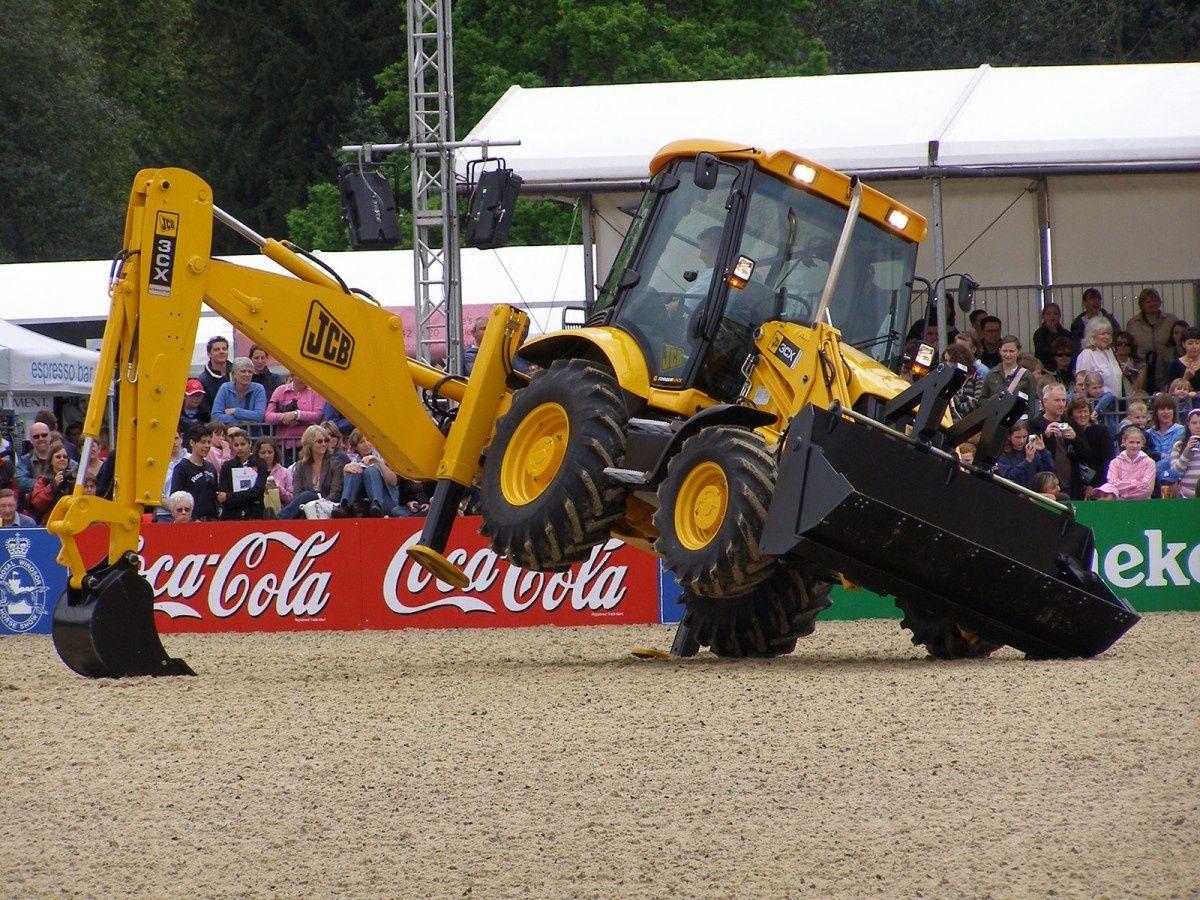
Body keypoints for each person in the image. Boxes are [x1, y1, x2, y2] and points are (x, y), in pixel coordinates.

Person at [1028, 382, 1084, 499]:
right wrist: (1046, 435)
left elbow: (1086, 454)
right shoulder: (1034, 424)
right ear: (1045, 402)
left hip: (1072, 484)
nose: (1061, 404)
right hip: (1046, 487)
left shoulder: (1071, 423)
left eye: (1063, 400)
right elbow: (1031, 454)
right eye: (1057, 400)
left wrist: (1075, 439)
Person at [277, 425, 344, 519]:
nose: (324, 444)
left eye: (326, 441)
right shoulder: (301, 466)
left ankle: (278, 519)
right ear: (309, 444)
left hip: (327, 505)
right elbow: (297, 493)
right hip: (306, 507)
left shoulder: (335, 464)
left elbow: (335, 493)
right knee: (305, 496)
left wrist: (318, 503)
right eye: (319, 441)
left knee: (307, 495)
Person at [332, 430, 399, 518]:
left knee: (370, 471)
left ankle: (376, 505)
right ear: (355, 447)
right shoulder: (355, 461)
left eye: (369, 440)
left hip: (387, 500)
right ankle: (345, 506)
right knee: (354, 471)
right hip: (363, 503)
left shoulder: (384, 457)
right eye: (361, 442)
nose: (366, 444)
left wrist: (379, 463)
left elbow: (393, 482)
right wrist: (345, 471)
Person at [1124, 287, 1178, 394]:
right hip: (1141, 371)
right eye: (1148, 301)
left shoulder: (1171, 320)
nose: (1153, 304)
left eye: (1155, 300)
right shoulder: (1133, 323)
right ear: (1142, 304)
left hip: (1165, 370)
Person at [265, 373, 326, 462]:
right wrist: (284, 417)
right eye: (299, 375)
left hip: (307, 446)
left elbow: (318, 415)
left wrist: (297, 415)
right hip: (283, 445)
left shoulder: (316, 392)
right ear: (292, 376)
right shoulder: (280, 390)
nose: (302, 379)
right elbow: (268, 416)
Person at [1065, 395, 1115, 496]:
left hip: (1099, 482)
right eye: (1079, 412)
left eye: (1085, 411)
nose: (1083, 415)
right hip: (1074, 483)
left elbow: (1108, 460)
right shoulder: (1067, 433)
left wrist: (1093, 485)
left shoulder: (1101, 431)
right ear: (1072, 414)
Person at [979, 335, 1039, 417]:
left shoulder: (1027, 375)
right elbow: (982, 400)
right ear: (1000, 351)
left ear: (1018, 351)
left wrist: (1029, 425)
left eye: (1011, 351)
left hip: (1020, 422)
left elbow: (1033, 404)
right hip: (995, 420)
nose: (1008, 354)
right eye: (1005, 351)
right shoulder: (991, 374)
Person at [170, 424, 220, 521]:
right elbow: (175, 499)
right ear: (192, 443)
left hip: (212, 521)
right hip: (192, 523)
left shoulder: (211, 467)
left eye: (209, 442)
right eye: (203, 442)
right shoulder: (182, 468)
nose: (207, 446)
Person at [217, 428, 268, 521]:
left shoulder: (260, 464)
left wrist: (229, 497)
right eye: (236, 445)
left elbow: (257, 492)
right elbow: (222, 495)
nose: (239, 448)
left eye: (243, 444)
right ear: (232, 446)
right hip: (232, 515)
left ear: (250, 444)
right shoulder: (227, 466)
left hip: (255, 514)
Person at [1092, 426, 1154, 500]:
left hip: (1143, 504)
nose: (1135, 445)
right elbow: (1112, 485)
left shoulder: (1150, 462)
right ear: (1124, 442)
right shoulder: (1114, 462)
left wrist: (1124, 495)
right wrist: (1134, 483)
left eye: (1138, 442)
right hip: (1120, 504)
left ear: (1142, 444)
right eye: (1131, 442)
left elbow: (1147, 489)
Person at [212, 356, 267, 430]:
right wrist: (239, 422)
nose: (247, 374)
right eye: (243, 371)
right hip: (230, 435)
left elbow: (259, 416)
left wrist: (235, 411)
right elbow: (215, 415)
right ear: (234, 374)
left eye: (250, 372)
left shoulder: (259, 389)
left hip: (254, 436)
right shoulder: (225, 388)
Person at [994, 420, 1053, 488]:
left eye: (1024, 437)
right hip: (1016, 492)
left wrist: (1043, 451)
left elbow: (1049, 471)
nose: (1022, 441)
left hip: (1034, 492)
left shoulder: (1033, 451)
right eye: (1018, 437)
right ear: (1009, 436)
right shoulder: (1004, 455)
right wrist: (1027, 461)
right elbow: (1010, 476)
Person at [1146, 393, 1184, 496]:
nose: (1166, 412)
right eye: (1162, 409)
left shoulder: (1181, 431)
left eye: (1169, 408)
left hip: (1173, 474)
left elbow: (1173, 456)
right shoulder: (1148, 433)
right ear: (1156, 412)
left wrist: (1152, 470)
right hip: (1152, 480)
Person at [29, 442, 76, 524]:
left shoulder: (74, 479)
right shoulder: (43, 480)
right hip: (49, 523)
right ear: (51, 461)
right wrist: (53, 485)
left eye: (65, 457)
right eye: (58, 457)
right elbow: (38, 503)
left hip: (70, 522)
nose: (62, 459)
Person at [1074, 317, 1122, 398]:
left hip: (1117, 404)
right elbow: (1082, 385)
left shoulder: (1110, 351)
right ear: (1092, 335)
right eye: (1103, 334)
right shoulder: (1086, 354)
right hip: (1097, 404)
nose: (1106, 337)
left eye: (1109, 333)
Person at [15, 421, 55, 511]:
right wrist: (48, 484)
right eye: (36, 436)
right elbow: (19, 481)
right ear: (31, 440)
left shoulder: (61, 455)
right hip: (34, 511)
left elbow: (75, 470)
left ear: (50, 437)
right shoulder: (24, 460)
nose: (40, 439)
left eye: (44, 435)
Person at [153, 431, 187, 522]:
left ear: (181, 438)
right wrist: (173, 508)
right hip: (164, 513)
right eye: (169, 439)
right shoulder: (157, 463)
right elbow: (155, 491)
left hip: (187, 513)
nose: (173, 442)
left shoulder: (190, 459)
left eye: (176, 438)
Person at [197, 335, 232, 421]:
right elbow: (205, 410)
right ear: (209, 354)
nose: (221, 351)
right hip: (216, 427)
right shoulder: (203, 380)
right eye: (217, 349)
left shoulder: (239, 373)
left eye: (224, 349)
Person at [1169, 409, 1200, 499]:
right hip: (1184, 494)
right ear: (1188, 425)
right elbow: (1174, 474)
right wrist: (1187, 451)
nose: (1198, 426)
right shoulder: (1179, 445)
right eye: (1194, 423)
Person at [254, 437, 293, 506]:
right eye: (263, 453)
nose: (267, 455)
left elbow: (292, 499)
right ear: (257, 454)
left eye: (270, 452)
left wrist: (280, 490)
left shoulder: (285, 472)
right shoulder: (251, 471)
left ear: (275, 453)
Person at [1032, 303, 1073, 370]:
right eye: (1048, 314)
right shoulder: (1039, 334)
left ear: (1059, 316)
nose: (1052, 316)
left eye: (1055, 313)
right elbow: (1042, 353)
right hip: (1045, 368)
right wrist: (1052, 334)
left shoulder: (1066, 333)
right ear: (1043, 316)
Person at [1112, 330, 1148, 401]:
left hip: (1133, 397)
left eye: (1126, 344)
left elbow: (1138, 387)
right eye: (1119, 344)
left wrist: (1129, 375)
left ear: (1131, 346)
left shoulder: (1141, 365)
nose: (1123, 346)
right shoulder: (1110, 362)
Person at [1082, 371, 1119, 437]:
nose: (1098, 390)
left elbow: (1110, 396)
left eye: (1100, 387)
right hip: (1092, 434)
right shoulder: (1084, 399)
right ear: (1087, 388)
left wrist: (1096, 410)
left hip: (1110, 433)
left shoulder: (1106, 396)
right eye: (1094, 388)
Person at [1166, 326, 1200, 394]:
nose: (1194, 346)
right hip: (1183, 403)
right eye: (1190, 343)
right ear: (1184, 344)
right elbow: (1170, 391)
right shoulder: (1175, 364)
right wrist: (1185, 378)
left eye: (1197, 343)